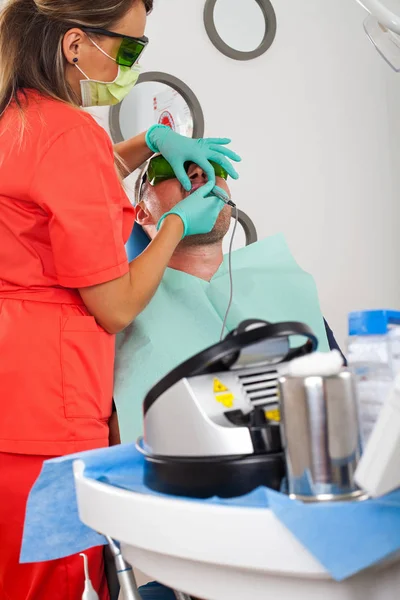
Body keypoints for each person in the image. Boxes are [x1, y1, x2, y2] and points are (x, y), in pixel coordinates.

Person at [0, 0, 241, 597]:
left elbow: (60, 179)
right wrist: (176, 227)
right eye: (129, 47)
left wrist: (151, 141)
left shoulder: (16, 119)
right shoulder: (66, 132)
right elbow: (115, 307)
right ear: (76, 44)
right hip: (46, 421)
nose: (133, 61)